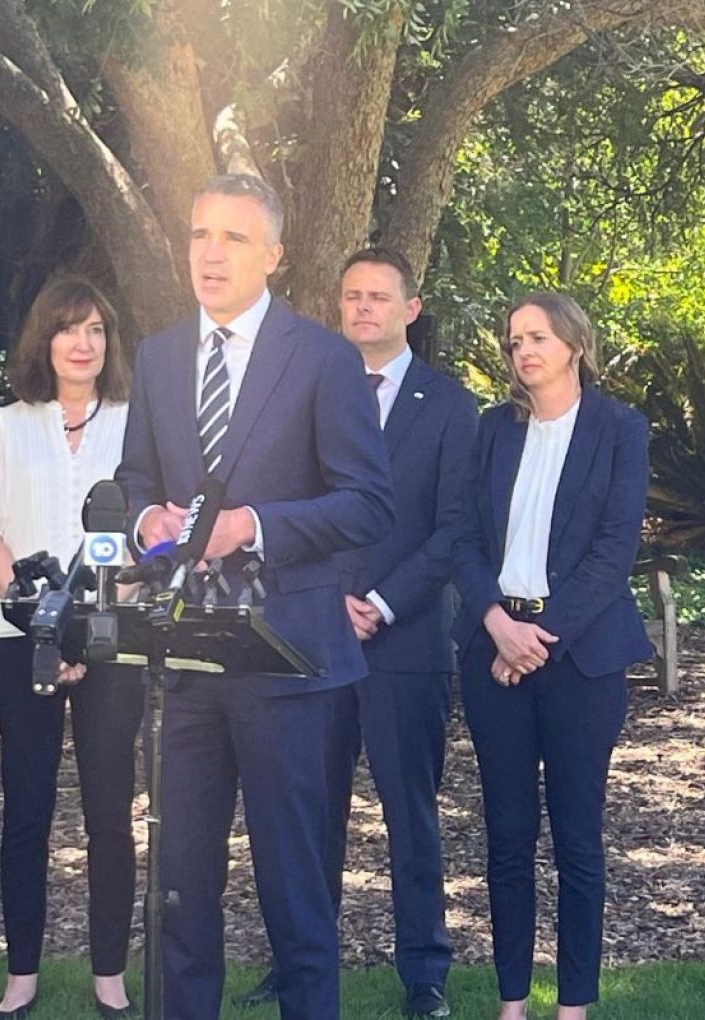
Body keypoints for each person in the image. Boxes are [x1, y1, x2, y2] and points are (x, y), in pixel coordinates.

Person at [114, 174, 394, 1020]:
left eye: (233, 238)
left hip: (291, 664)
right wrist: (146, 523)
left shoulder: (322, 358)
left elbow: (368, 502)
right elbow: (133, 479)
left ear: (271, 255)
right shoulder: (161, 356)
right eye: (200, 233)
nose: (210, 252)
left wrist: (257, 527)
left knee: (295, 892)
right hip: (185, 659)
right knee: (180, 885)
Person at [236, 247, 476, 1017]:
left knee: (411, 813)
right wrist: (329, 598)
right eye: (351, 296)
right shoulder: (303, 393)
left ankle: (424, 974)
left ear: (412, 308)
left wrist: (378, 600)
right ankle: (304, 966)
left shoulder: (449, 405)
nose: (363, 307)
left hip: (404, 642)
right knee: (309, 812)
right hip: (308, 632)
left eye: (379, 296)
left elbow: (453, 530)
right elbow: (290, 509)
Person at [451, 292, 650, 1020]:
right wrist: (498, 625)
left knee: (576, 837)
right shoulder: (493, 431)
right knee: (505, 836)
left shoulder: (620, 429)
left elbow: (613, 550)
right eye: (513, 341)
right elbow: (462, 538)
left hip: (580, 659)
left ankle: (574, 1006)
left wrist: (536, 639)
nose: (523, 351)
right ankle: (511, 1002)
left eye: (537, 337)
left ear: (574, 343)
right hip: (492, 649)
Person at [0, 276, 141, 1020]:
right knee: (27, 810)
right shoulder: (10, 424)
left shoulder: (136, 425)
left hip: (111, 639)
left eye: (97, 331)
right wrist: (37, 611)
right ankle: (22, 976)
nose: (83, 343)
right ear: (45, 340)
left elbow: (150, 538)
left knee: (110, 812)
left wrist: (95, 613)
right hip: (21, 639)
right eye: (70, 329)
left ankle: (109, 978)